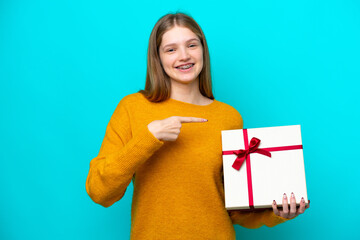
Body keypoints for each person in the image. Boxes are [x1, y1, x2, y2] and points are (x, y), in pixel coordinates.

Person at [85, 12, 309, 239]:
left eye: (191, 45)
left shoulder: (228, 117)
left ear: (203, 50)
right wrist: (149, 137)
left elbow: (235, 208)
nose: (184, 56)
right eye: (171, 49)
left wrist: (277, 213)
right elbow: (99, 191)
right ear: (158, 58)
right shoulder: (132, 108)